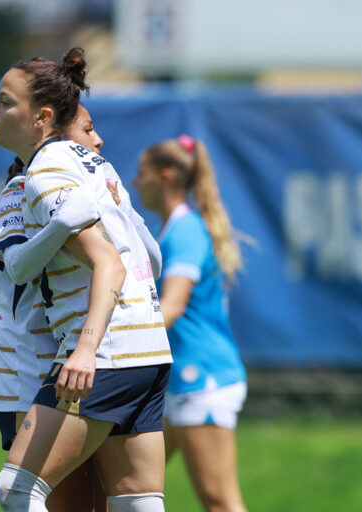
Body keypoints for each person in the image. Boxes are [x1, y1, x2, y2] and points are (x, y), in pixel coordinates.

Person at [0, 47, 172, 512]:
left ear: (41, 116)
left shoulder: (46, 169)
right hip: (148, 350)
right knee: (138, 504)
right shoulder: (98, 168)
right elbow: (146, 257)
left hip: (102, 356)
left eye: (5, 101)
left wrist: (86, 349)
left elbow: (108, 262)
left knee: (16, 491)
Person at [0, 105, 109, 512]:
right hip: (31, 371)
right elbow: (16, 269)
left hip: (71, 367)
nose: (98, 141)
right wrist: (63, 223)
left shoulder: (82, 192)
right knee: (61, 502)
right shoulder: (22, 189)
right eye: (88, 130)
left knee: (96, 502)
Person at [133, 135, 248, 512]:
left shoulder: (185, 230)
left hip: (202, 380)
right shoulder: (172, 227)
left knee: (220, 502)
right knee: (122, 488)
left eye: (142, 173)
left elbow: (173, 305)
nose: (135, 182)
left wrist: (117, 343)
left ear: (166, 176)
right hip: (176, 383)